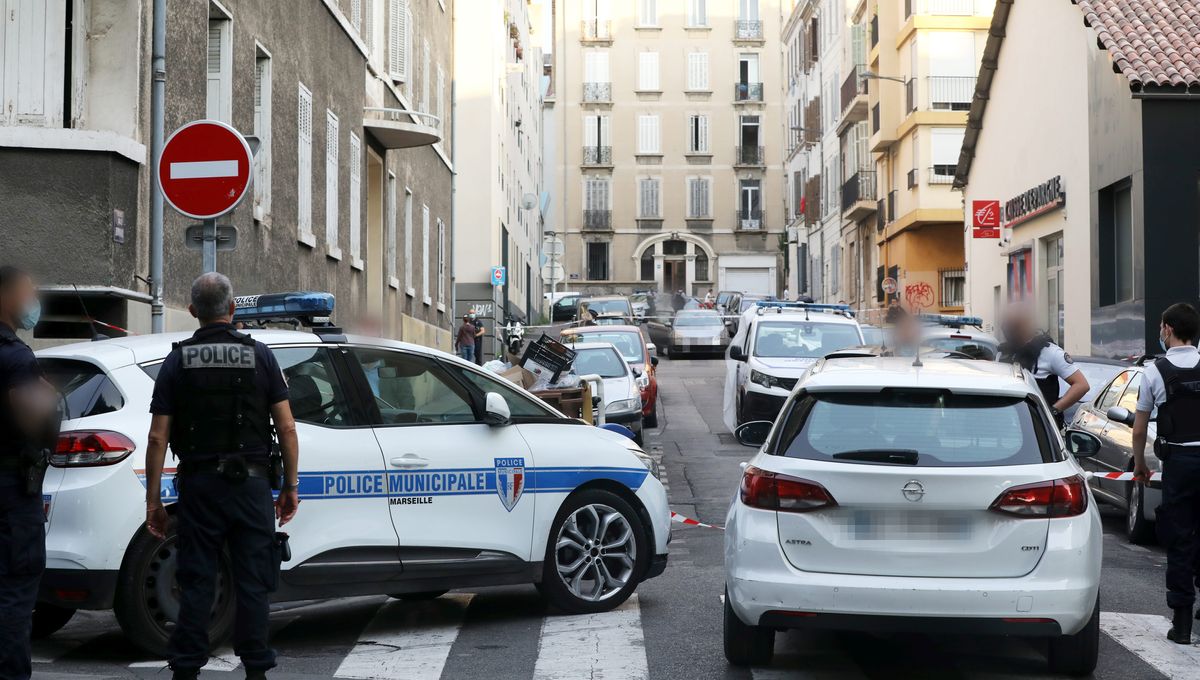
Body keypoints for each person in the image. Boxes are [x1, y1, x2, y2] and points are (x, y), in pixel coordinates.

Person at [143, 273, 300, 680]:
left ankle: (186, 671)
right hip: (250, 487)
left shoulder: (177, 360)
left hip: (200, 488)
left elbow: (159, 435)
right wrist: (290, 487)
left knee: (197, 580)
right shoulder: (261, 356)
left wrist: (154, 504)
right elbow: (286, 428)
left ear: (193, 312)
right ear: (233, 310)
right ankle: (256, 671)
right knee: (253, 582)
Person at [0, 266, 59, 680]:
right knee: (14, 596)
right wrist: (51, 400)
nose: (32, 300)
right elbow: (35, 422)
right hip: (9, 496)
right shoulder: (16, 358)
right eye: (26, 292)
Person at [1132, 302, 1200, 644]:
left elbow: (1140, 428)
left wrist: (1140, 466)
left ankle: (1183, 623)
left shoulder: (1154, 371)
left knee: (1180, 539)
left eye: (1161, 326)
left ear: (1168, 330)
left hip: (1179, 463)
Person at [998, 305, 1088, 428]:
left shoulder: (1049, 351)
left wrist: (1052, 411)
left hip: (1040, 428)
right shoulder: (1004, 353)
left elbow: (1081, 385)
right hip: (1008, 426)